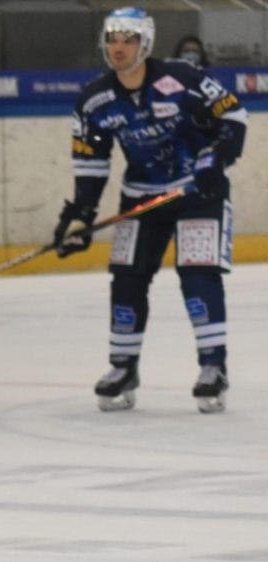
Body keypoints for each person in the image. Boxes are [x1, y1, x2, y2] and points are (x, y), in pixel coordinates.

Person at [54, 7, 246, 413]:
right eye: (112, 40)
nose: (118, 48)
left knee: (197, 274)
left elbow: (233, 115)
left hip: (197, 192)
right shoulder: (94, 100)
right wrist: (81, 214)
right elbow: (91, 161)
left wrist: (214, 159)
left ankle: (213, 367)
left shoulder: (183, 79)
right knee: (126, 277)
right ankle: (123, 366)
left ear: (145, 43)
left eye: (128, 40)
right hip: (141, 197)